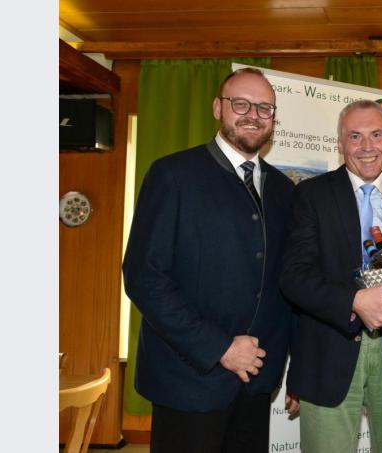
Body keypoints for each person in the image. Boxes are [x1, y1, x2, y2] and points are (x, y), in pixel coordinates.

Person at [123, 67, 296, 452]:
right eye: (241, 104)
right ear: (218, 108)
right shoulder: (172, 175)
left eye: (264, 108)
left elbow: (286, 284)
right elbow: (144, 277)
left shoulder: (285, 190)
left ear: (274, 120)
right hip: (186, 381)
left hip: (255, 382)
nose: (253, 114)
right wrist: (220, 348)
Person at [280, 100, 382, 453]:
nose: (367, 147)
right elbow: (293, 275)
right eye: (355, 136)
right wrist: (354, 301)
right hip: (328, 351)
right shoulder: (310, 195)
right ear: (340, 143)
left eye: (376, 135)